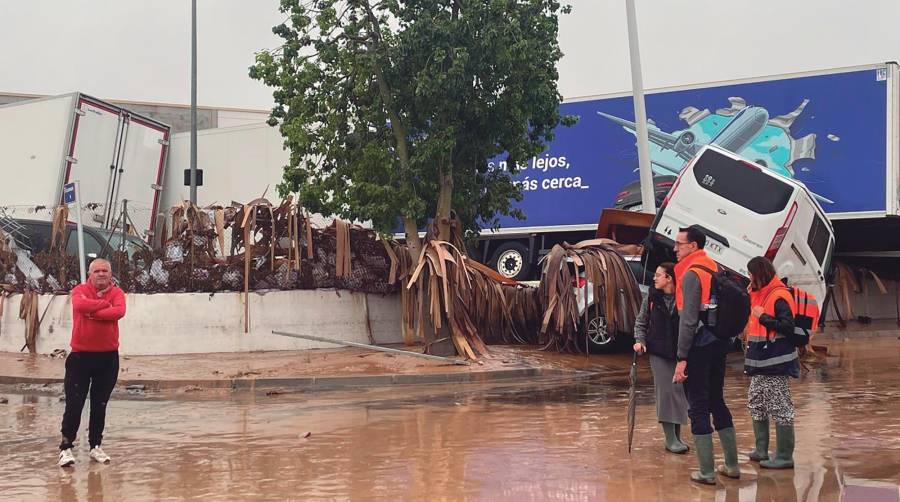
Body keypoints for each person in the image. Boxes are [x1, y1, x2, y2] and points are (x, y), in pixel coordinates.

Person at [671, 226, 739, 484]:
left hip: (698, 347)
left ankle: (707, 472)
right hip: (718, 344)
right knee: (716, 400)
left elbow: (688, 321)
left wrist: (681, 356)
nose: (675, 248)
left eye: (680, 244)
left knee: (697, 406)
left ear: (694, 246)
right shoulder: (714, 267)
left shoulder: (691, 274)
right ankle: (731, 466)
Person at [58, 258, 126, 468]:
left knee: (100, 405)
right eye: (97, 271)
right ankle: (66, 448)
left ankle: (95, 445)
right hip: (80, 358)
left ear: (110, 274)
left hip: (107, 359)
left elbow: (118, 311)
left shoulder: (117, 293)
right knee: (74, 404)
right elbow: (80, 305)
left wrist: (93, 312)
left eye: (105, 270)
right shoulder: (79, 290)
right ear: (90, 274)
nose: (101, 274)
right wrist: (103, 306)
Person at [744, 256, 799, 469]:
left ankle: (785, 456)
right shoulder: (761, 294)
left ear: (759, 275)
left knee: (780, 406)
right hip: (760, 361)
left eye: (750, 274)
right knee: (755, 402)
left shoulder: (779, 295)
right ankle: (761, 450)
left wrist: (763, 317)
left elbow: (787, 326)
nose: (749, 278)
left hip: (776, 362)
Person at [633, 262, 690, 454]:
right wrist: (639, 341)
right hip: (659, 352)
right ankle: (670, 439)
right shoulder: (651, 297)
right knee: (666, 393)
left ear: (670, 278)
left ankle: (677, 436)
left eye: (659, 275)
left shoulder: (684, 297)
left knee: (679, 394)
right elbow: (641, 322)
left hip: (681, 353)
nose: (654, 278)